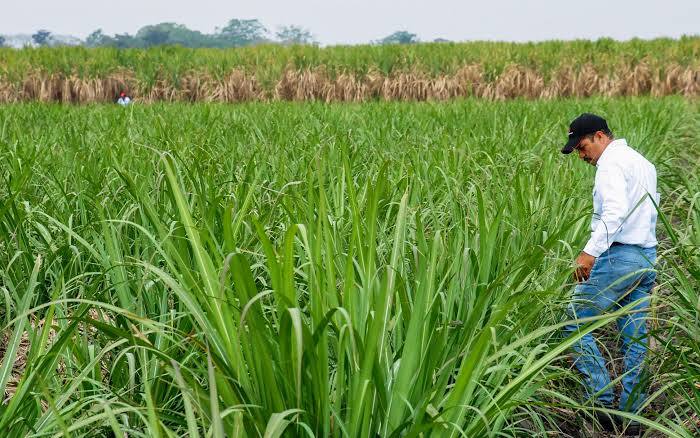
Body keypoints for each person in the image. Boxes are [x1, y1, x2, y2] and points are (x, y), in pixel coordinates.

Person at [561, 113, 658, 435]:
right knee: (635, 341)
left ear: (600, 136)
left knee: (573, 321)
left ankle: (600, 404)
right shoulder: (642, 162)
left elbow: (614, 212)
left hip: (620, 256)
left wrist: (589, 253)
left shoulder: (610, 165)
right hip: (646, 257)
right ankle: (632, 417)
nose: (581, 154)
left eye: (582, 146)